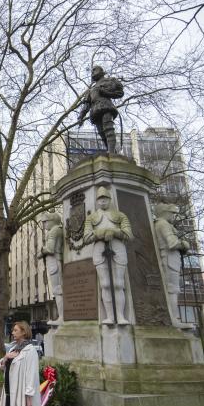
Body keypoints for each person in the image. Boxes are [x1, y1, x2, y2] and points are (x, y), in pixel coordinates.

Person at [83, 185, 133, 325]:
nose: (102, 201)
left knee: (118, 284)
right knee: (105, 285)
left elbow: (129, 234)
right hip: (99, 249)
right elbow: (86, 238)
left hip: (117, 247)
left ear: (110, 199)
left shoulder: (120, 215)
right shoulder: (91, 218)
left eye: (105, 199)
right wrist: (97, 233)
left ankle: (121, 316)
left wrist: (115, 232)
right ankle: (110, 316)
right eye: (100, 199)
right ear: (97, 201)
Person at [153, 203, 190, 321]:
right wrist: (184, 244)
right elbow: (172, 243)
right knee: (172, 289)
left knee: (172, 289)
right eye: (172, 213)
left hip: (169, 258)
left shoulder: (160, 224)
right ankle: (174, 319)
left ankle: (173, 317)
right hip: (169, 258)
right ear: (165, 213)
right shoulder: (164, 224)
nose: (173, 216)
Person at [78, 65, 124, 153]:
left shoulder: (110, 81)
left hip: (106, 107)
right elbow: (86, 105)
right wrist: (81, 117)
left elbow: (120, 93)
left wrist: (106, 92)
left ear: (101, 71)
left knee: (108, 129)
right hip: (95, 111)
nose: (92, 73)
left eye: (94, 70)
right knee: (102, 133)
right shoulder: (90, 90)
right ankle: (112, 151)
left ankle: (111, 152)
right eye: (91, 71)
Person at [38, 212, 64, 324]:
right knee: (57, 290)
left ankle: (62, 317)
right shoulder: (55, 230)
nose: (44, 225)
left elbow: (50, 249)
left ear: (52, 221)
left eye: (45, 222)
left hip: (55, 261)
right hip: (53, 262)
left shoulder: (54, 231)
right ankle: (61, 316)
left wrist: (42, 250)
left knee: (58, 290)